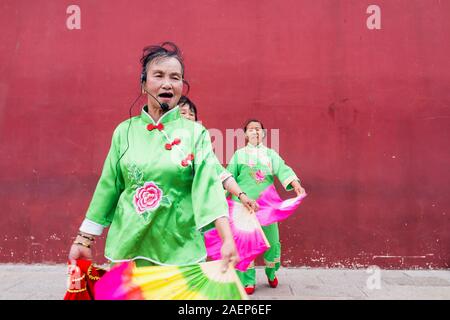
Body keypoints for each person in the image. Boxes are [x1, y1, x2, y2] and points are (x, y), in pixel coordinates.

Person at [68, 42, 238, 272]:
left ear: (182, 86)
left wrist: (227, 239)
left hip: (180, 249)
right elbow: (108, 186)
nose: (167, 83)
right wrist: (83, 240)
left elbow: (209, 187)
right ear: (144, 85)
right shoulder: (124, 131)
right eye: (158, 75)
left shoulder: (196, 134)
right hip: (128, 247)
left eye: (175, 77)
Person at [226, 119, 306, 294]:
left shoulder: (271, 154)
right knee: (246, 244)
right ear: (245, 134)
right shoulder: (238, 155)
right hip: (243, 207)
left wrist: (295, 183)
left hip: (266, 207)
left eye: (258, 129)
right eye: (251, 129)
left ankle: (271, 272)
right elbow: (228, 178)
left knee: (272, 241)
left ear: (263, 134)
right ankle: (248, 281)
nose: (255, 132)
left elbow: (283, 169)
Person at [177, 95, 258, 213]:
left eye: (191, 114)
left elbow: (219, 173)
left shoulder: (198, 145)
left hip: (190, 210)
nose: (188, 117)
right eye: (183, 113)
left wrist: (242, 196)